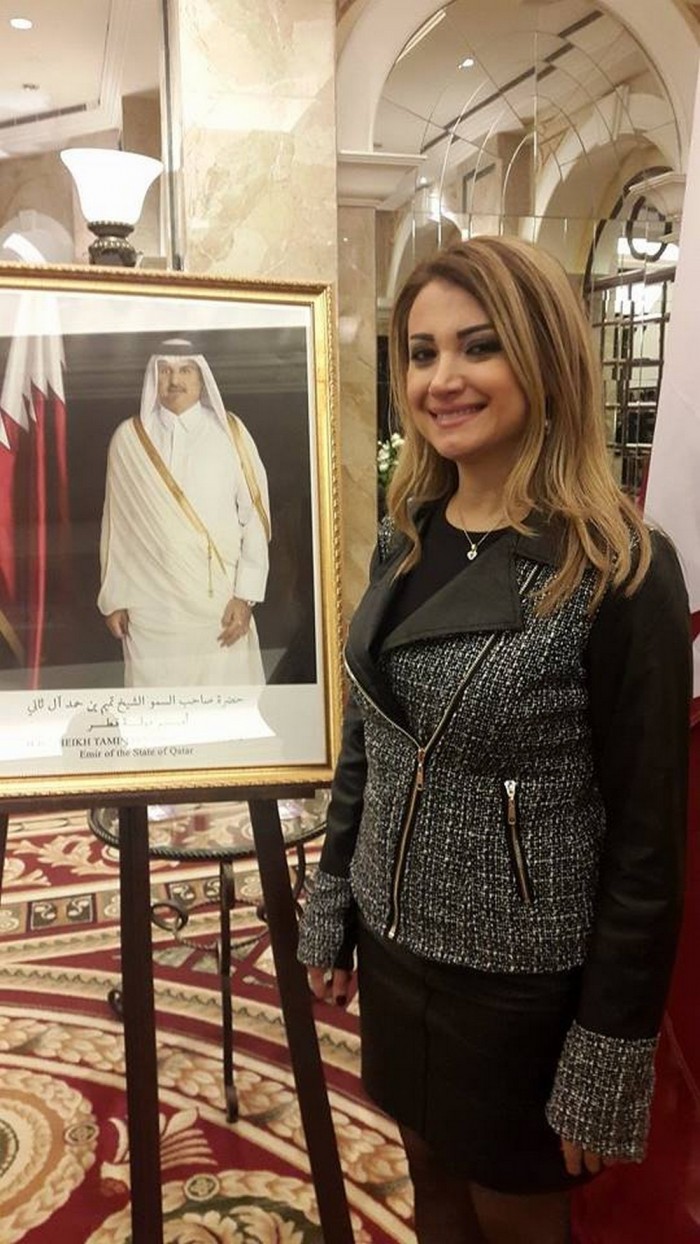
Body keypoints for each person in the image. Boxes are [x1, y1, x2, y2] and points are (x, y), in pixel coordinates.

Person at [297, 237, 691, 1244]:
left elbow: (648, 847)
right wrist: (333, 904)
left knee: (514, 1221)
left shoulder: (618, 566)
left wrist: (609, 1046)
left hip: (520, 984)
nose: (443, 379)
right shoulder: (408, 532)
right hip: (395, 945)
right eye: (421, 353)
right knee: (428, 1182)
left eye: (479, 346)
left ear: (543, 357)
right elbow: (372, 739)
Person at [98, 338, 270, 687]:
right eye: (165, 370)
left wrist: (246, 596)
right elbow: (116, 526)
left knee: (224, 705)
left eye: (185, 370)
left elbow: (254, 518)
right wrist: (114, 599)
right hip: (150, 610)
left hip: (218, 605)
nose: (174, 380)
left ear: (201, 377)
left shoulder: (230, 433)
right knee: (156, 711)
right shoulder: (129, 439)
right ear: (154, 377)